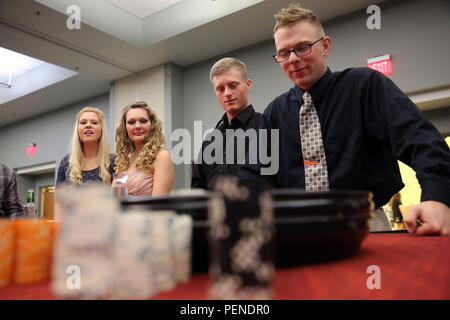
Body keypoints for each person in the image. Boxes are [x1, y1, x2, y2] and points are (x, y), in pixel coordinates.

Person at [239, 4, 450, 235]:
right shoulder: (274, 114)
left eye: (302, 47)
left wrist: (437, 197)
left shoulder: (365, 86)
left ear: (325, 46)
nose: (293, 59)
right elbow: (254, 176)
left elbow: (420, 140)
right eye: (284, 53)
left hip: (366, 228)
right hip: (296, 233)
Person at [191, 57, 262, 190]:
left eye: (233, 85)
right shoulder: (209, 141)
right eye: (220, 89)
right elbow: (198, 189)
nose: (227, 93)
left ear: (248, 84)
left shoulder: (267, 127)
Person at [113, 101, 173, 196]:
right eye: (131, 122)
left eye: (143, 121)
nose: (137, 126)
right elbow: (114, 198)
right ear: (125, 128)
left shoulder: (161, 156)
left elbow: (159, 204)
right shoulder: (124, 161)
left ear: (152, 125)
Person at [57, 107, 116, 186]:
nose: (88, 125)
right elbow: (58, 197)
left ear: (102, 129)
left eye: (94, 123)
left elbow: (120, 196)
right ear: (77, 129)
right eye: (83, 122)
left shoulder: (114, 161)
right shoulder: (66, 162)